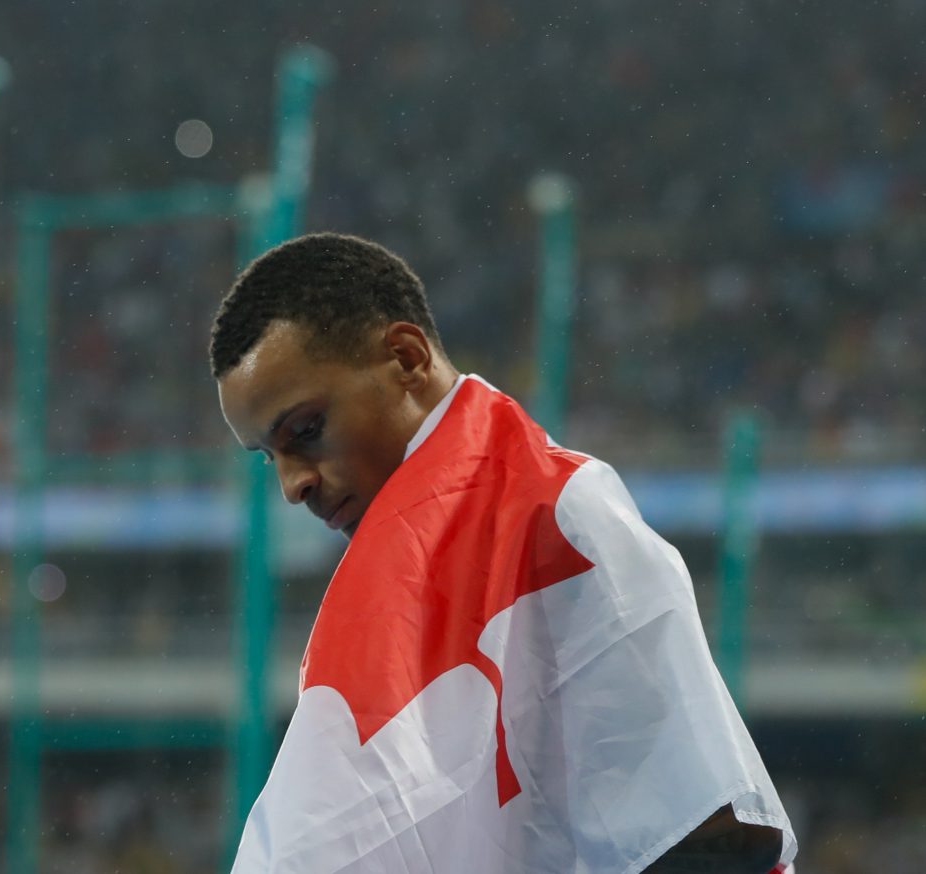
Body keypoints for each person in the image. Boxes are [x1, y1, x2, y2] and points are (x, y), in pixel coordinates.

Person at [209, 233, 796, 873]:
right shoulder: (390, 580)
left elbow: (711, 832)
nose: (294, 485)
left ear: (405, 358)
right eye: (270, 457)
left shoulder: (558, 514)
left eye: (306, 432)